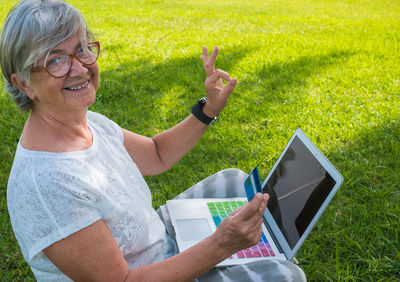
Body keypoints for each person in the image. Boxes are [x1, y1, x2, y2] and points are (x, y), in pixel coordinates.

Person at [1, 0, 306, 281]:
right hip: (146, 275)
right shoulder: (46, 185)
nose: (80, 68)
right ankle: (258, 255)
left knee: (237, 183)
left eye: (82, 49)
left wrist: (208, 110)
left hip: (158, 241)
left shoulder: (85, 121)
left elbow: (157, 153)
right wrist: (220, 245)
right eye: (56, 60)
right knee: (287, 276)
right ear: (24, 83)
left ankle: (257, 250)